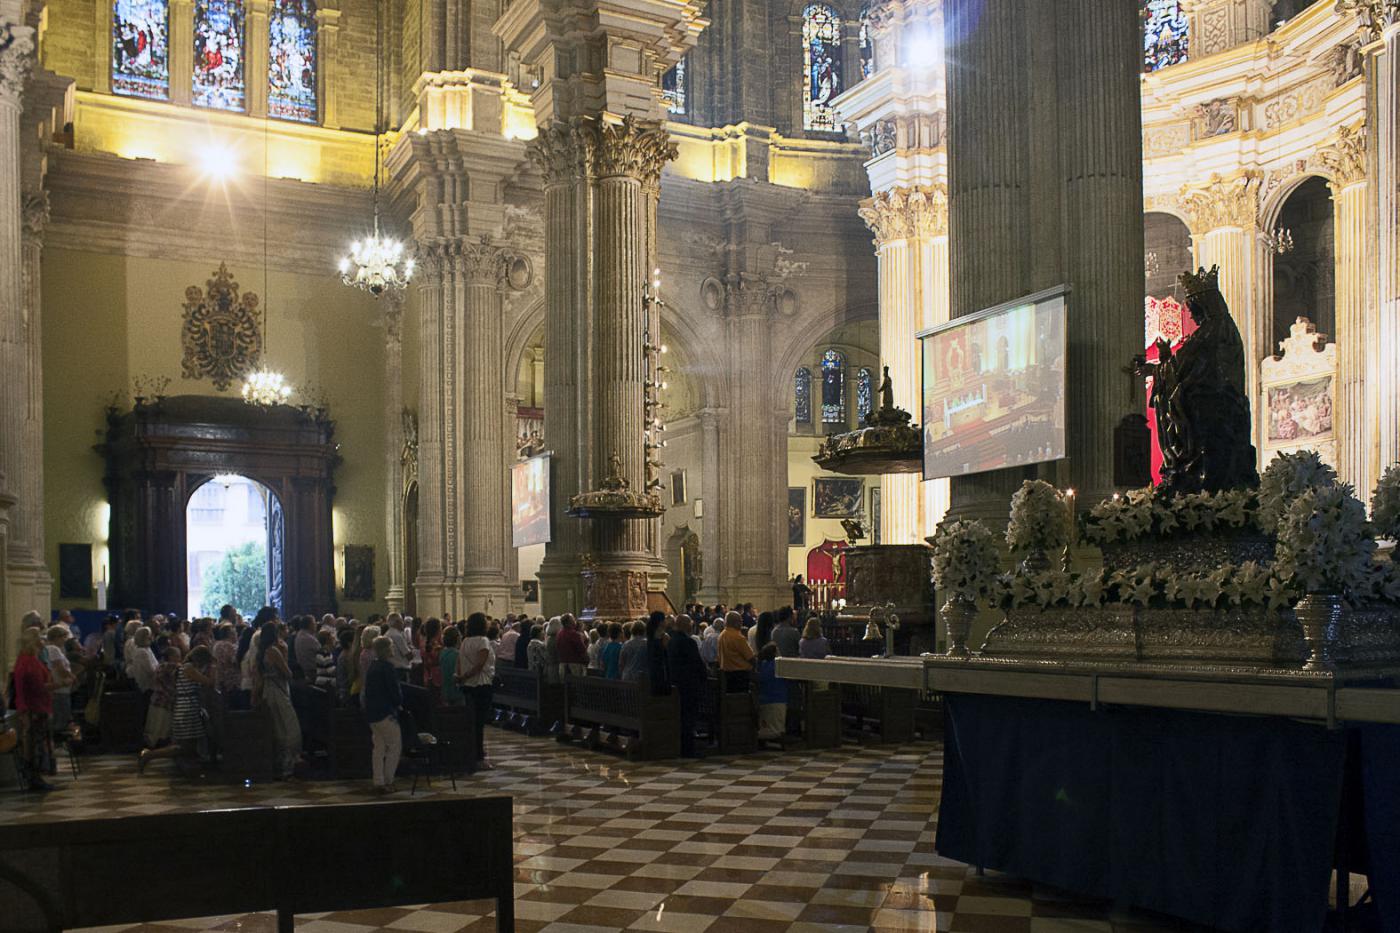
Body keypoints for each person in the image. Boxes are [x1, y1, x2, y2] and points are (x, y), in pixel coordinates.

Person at [140, 645, 215, 775]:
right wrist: (213, 669)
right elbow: (209, 682)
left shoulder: (186, 667)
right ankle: (149, 755)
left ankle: (187, 765)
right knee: (184, 746)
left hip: (188, 708)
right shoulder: (188, 668)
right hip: (186, 709)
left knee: (189, 745)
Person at [254, 619, 302, 780]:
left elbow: (259, 678)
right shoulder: (273, 651)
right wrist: (285, 654)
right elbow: (287, 673)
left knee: (277, 728)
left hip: (268, 690)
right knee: (289, 728)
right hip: (278, 690)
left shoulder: (261, 652)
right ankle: (287, 767)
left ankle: (281, 765)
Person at [11, 627, 57, 791]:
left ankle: (35, 777)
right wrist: (58, 684)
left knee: (35, 743)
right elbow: (38, 687)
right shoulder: (29, 662)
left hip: (34, 706)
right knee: (34, 744)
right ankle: (34, 778)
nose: (43, 639)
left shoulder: (27, 659)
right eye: (40, 637)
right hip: (34, 707)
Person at [363, 636, 403, 794]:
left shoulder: (373, 666)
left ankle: (378, 781)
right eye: (391, 646)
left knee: (378, 748)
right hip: (386, 712)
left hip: (372, 713)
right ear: (386, 649)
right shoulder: (387, 667)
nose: (393, 649)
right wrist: (398, 703)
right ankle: (388, 780)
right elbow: (394, 691)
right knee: (394, 746)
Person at [456, 612, 496, 768]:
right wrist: (465, 676)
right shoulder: (483, 641)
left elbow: (460, 662)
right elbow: (480, 665)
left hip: (468, 685)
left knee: (472, 721)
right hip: (481, 684)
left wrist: (461, 677)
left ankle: (471, 752)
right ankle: (479, 757)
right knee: (479, 722)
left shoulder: (465, 641)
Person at [666, 615, 707, 758]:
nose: (692, 625)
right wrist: (704, 677)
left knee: (681, 716)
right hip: (688, 685)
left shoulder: (671, 641)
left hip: (675, 683)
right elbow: (697, 664)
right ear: (684, 625)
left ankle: (681, 746)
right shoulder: (688, 642)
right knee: (688, 717)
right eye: (690, 623)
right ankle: (688, 749)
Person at [43, 625, 75, 738]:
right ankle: (58, 741)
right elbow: (59, 667)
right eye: (63, 637)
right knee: (61, 717)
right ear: (57, 637)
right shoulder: (53, 649)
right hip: (60, 688)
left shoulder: (52, 649)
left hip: (61, 688)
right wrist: (72, 677)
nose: (65, 640)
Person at [755, 643, 788, 744]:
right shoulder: (778, 665)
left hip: (764, 700)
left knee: (766, 726)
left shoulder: (763, 664)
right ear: (775, 653)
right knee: (777, 730)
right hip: (778, 699)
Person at [717, 611, 755, 692]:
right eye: (741, 621)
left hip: (726, 674)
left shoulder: (722, 635)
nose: (742, 624)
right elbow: (750, 657)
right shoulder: (737, 637)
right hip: (740, 675)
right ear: (735, 623)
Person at [556, 614, 589, 681]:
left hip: (562, 665)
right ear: (568, 622)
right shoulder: (574, 634)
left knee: (565, 685)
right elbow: (582, 650)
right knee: (576, 685)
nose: (575, 621)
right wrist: (587, 660)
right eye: (573, 619)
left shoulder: (559, 633)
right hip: (574, 666)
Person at [645, 612, 670, 694]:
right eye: (665, 619)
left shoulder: (650, 637)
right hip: (662, 675)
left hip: (653, 674)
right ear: (660, 622)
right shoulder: (662, 638)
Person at [439, 628, 464, 707]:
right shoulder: (458, 654)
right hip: (457, 692)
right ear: (457, 639)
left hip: (445, 690)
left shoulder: (442, 652)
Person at [385, 613, 412, 680]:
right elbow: (407, 654)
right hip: (399, 668)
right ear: (397, 622)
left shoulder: (388, 633)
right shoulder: (397, 635)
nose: (403, 623)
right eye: (401, 621)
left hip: (391, 667)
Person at [293, 615, 319, 682]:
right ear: (310, 625)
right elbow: (322, 653)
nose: (316, 625)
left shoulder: (299, 634)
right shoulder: (309, 638)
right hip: (313, 671)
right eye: (314, 623)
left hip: (304, 670)